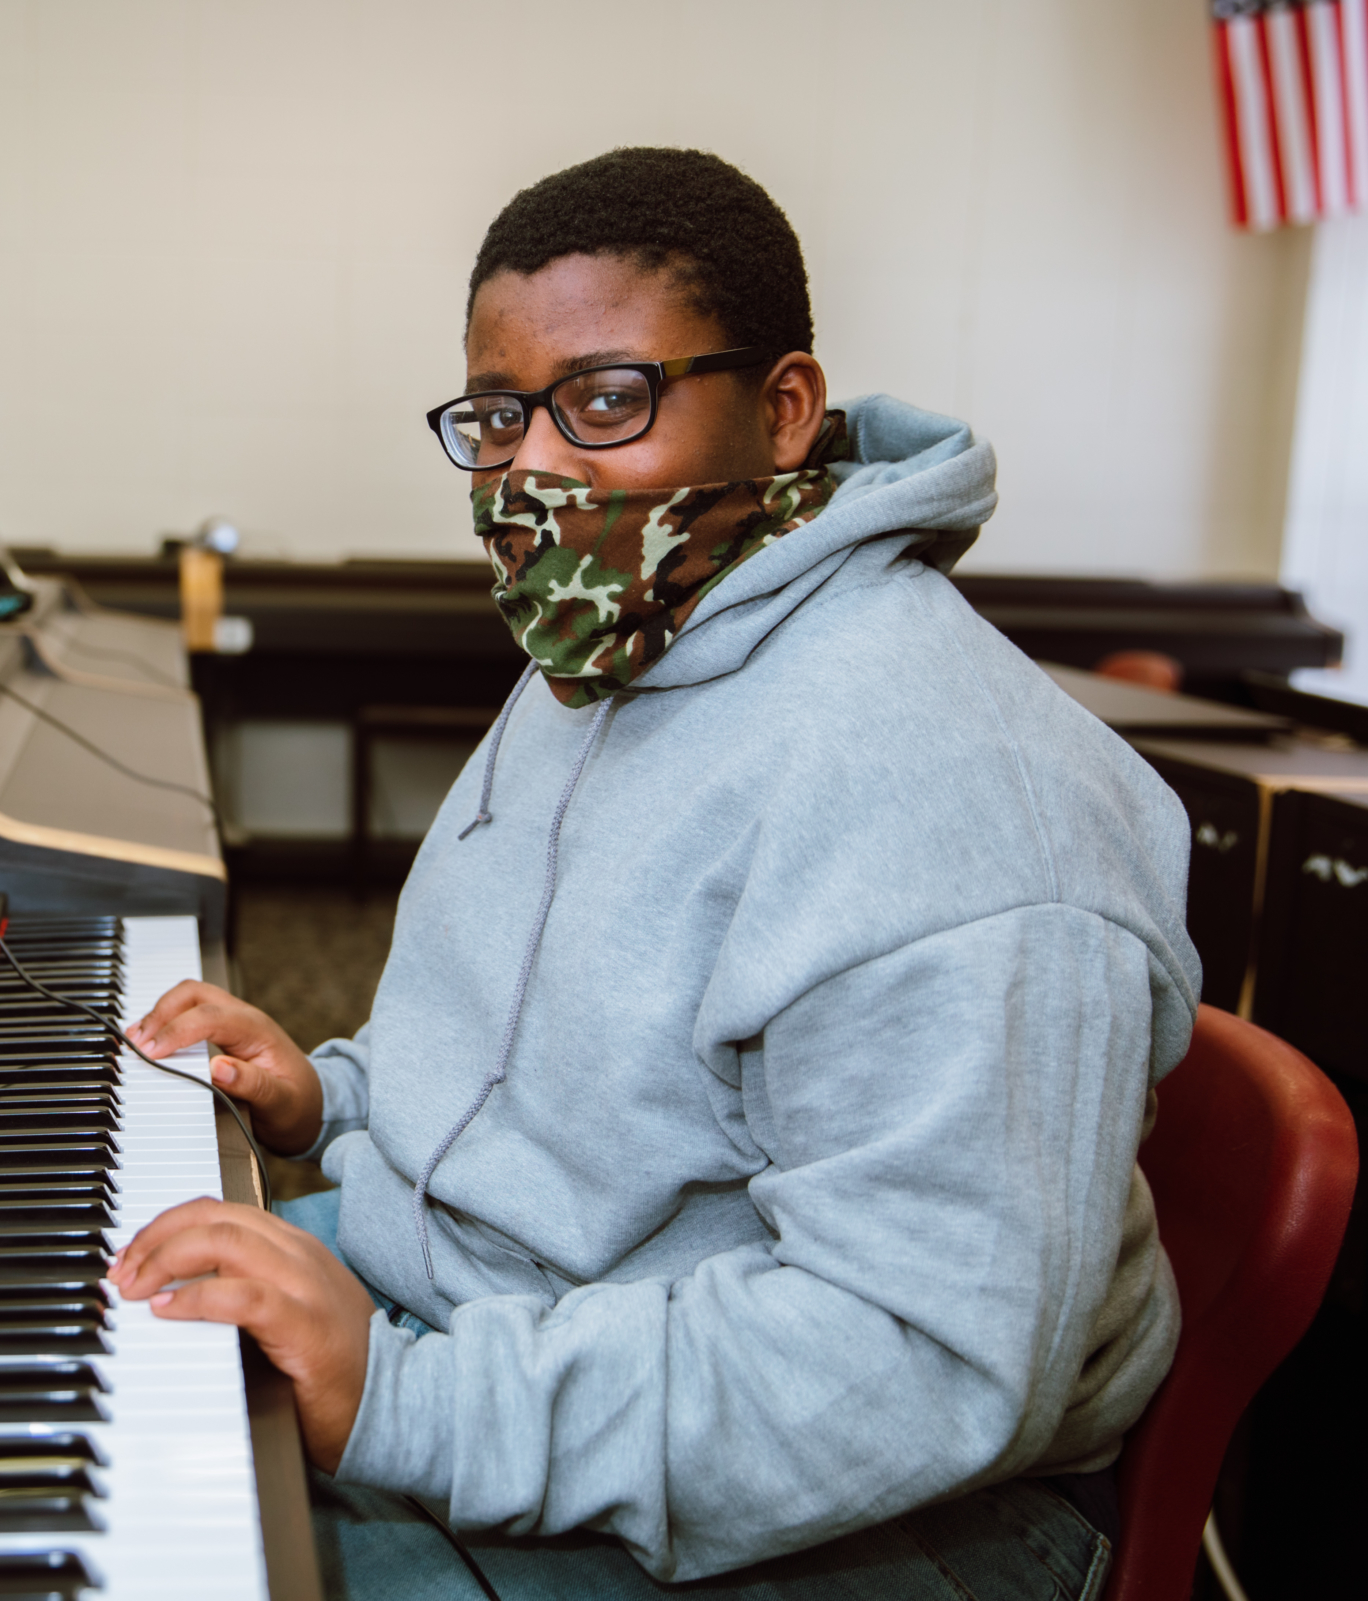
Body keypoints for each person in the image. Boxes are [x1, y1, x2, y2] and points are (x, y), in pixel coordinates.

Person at [112, 149, 1198, 1600]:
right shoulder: (616, 646)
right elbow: (542, 1044)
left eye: (607, 401)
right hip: (504, 1330)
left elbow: (917, 1359)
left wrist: (411, 1402)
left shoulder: (954, 796)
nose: (535, 469)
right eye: (498, 417)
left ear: (785, 410)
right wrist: (339, 1094)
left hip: (864, 1502)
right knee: (83, 1333)